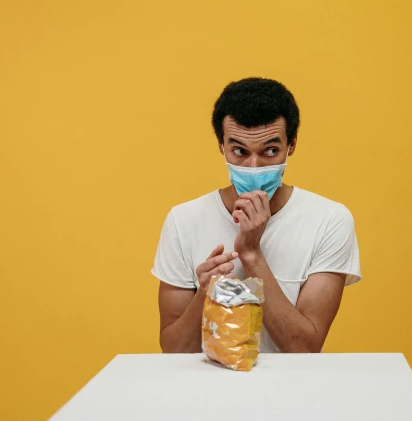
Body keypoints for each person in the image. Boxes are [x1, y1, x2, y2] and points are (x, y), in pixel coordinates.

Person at [152, 77, 361, 354]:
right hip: (206, 394)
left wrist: (251, 255)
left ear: (292, 145)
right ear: (221, 146)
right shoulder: (183, 221)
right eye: (239, 151)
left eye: (270, 151)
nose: (254, 166)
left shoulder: (330, 220)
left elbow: (306, 348)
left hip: (293, 393)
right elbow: (173, 350)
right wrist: (204, 293)